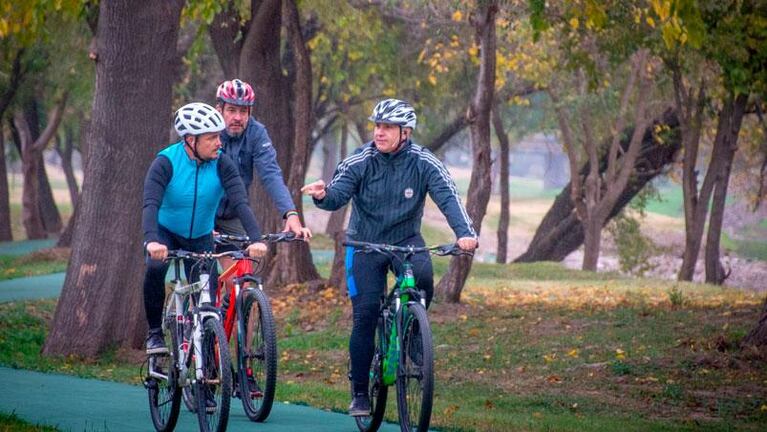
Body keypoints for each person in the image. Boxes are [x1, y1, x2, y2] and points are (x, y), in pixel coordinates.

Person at [301, 98, 478, 416]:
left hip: (405, 240)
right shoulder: (361, 159)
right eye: (377, 126)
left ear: (405, 132)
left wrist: (464, 232)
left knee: (422, 278)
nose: (379, 132)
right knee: (366, 314)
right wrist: (323, 195)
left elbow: (448, 195)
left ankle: (412, 333)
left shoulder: (424, 162)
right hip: (364, 244)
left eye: (387, 127)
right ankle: (359, 392)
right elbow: (338, 193)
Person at [142, 102, 267, 355]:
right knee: (155, 267)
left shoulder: (223, 164)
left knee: (208, 307)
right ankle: (155, 334)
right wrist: (151, 241)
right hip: (166, 233)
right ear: (190, 140)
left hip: (200, 236)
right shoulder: (166, 162)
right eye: (211, 138)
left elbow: (241, 202)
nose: (218, 143)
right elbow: (150, 204)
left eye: (218, 136)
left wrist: (256, 239)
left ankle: (206, 377)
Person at [214, 79, 311, 263]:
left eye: (243, 111)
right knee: (205, 276)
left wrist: (290, 213)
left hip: (234, 214)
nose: (238, 117)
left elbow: (271, 174)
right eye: (232, 110)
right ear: (219, 110)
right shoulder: (208, 132)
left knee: (238, 278)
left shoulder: (256, 133)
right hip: (204, 212)